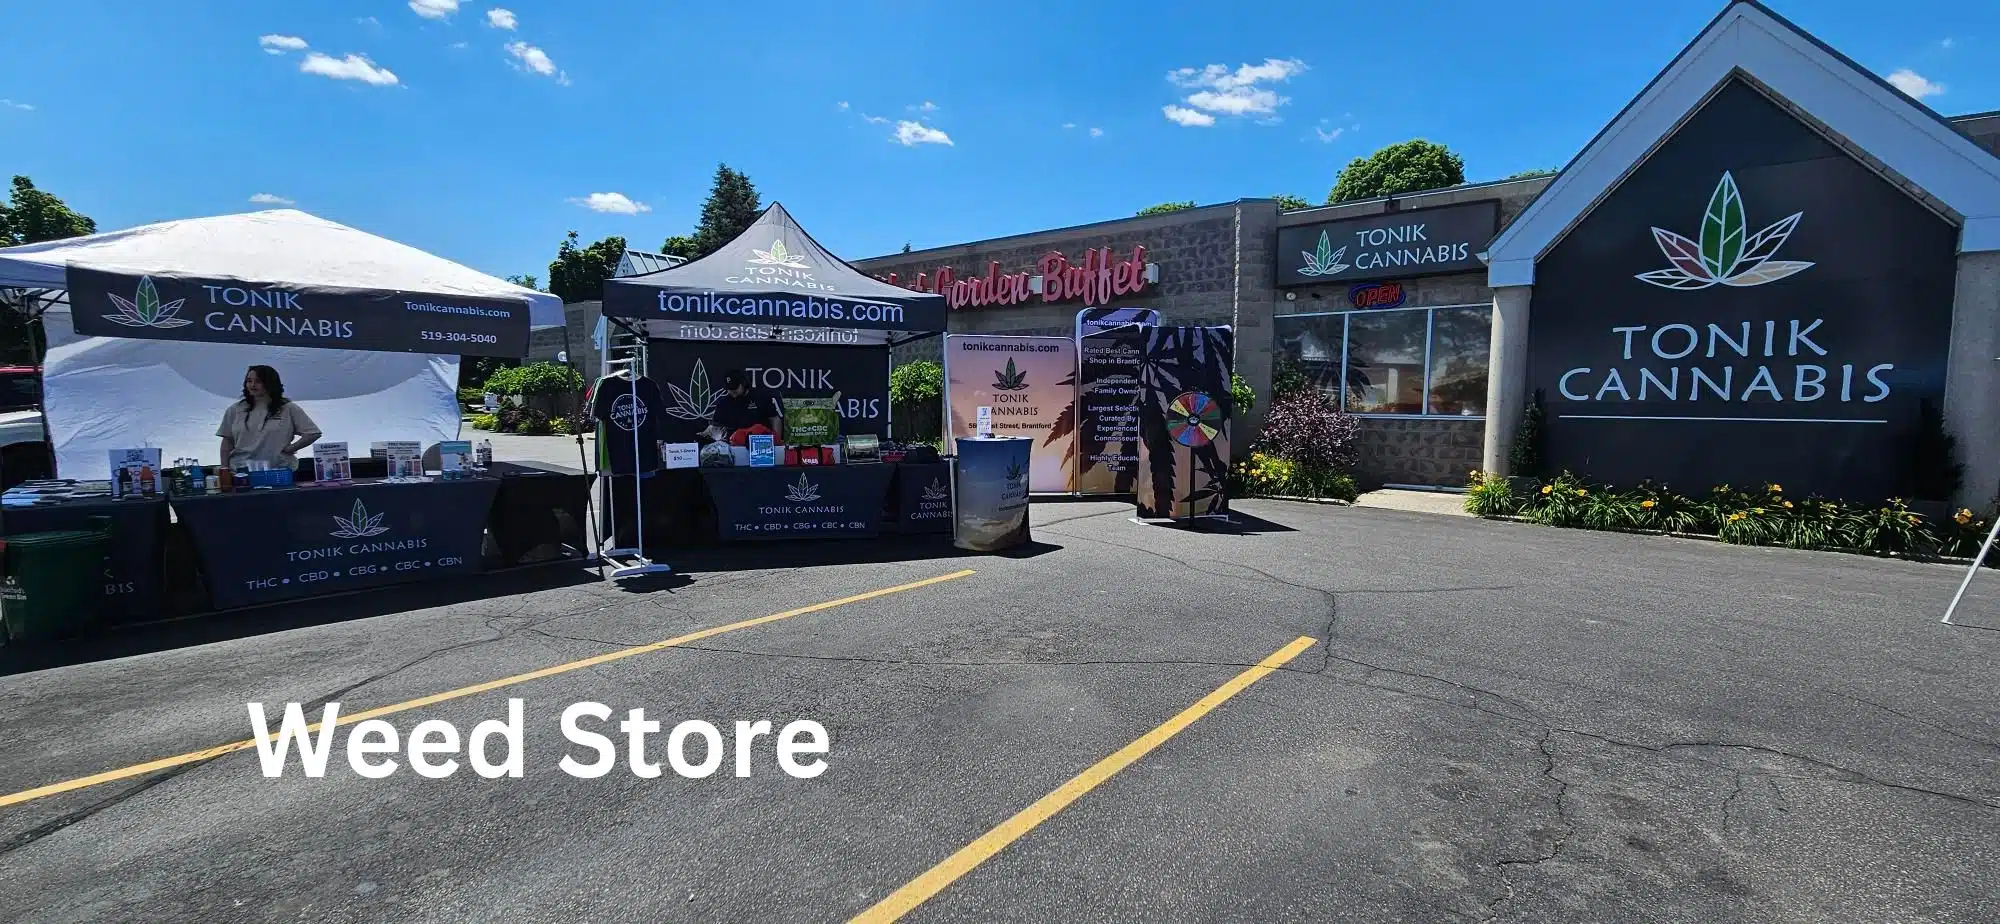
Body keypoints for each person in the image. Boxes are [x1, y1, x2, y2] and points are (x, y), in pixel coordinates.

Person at [217, 365, 322, 470]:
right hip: (241, 472)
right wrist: (224, 468)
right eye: (249, 381)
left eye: (258, 381)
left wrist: (290, 449)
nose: (252, 385)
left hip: (278, 470)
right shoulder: (235, 409)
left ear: (270, 383)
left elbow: (313, 433)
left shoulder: (287, 408)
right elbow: (227, 441)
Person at [711, 370, 784, 440]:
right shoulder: (723, 403)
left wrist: (776, 441)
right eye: (729, 388)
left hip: (759, 443)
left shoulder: (761, 397)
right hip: (732, 445)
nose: (732, 391)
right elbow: (715, 427)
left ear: (744, 384)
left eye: (735, 387)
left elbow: (775, 419)